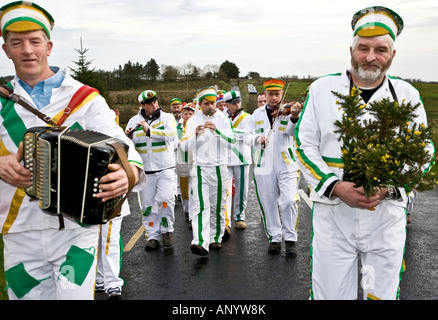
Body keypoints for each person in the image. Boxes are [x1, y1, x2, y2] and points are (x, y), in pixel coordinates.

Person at [0, 1, 146, 300]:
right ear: (6, 50)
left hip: (75, 227)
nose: (27, 50)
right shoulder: (2, 102)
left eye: (34, 41)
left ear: (48, 46)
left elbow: (123, 145)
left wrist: (128, 175)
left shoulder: (85, 98)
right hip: (18, 228)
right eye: (17, 43)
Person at [294, 6, 435, 300]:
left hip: (386, 216)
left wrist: (391, 187)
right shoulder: (322, 89)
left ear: (392, 55)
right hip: (334, 214)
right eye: (364, 48)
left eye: (381, 49)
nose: (371, 57)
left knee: (380, 295)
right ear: (351, 49)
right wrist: (334, 186)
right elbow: (303, 143)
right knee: (330, 295)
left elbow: (423, 150)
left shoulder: (407, 95)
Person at [248, 79, 301, 256]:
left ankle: (291, 238)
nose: (274, 98)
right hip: (264, 162)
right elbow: (246, 136)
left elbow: (292, 133)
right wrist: (257, 139)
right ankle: (275, 238)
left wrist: (293, 117)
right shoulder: (256, 114)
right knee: (268, 202)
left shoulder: (288, 112)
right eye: (270, 94)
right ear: (265, 95)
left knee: (289, 200)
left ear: (281, 94)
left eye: (277, 94)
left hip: (286, 162)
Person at [180, 86, 235, 255]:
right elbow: (183, 146)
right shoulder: (193, 121)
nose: (210, 107)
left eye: (213, 103)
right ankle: (200, 241)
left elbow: (232, 142)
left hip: (219, 168)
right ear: (200, 104)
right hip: (200, 168)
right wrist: (194, 136)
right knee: (200, 205)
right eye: (206, 104)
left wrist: (216, 131)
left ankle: (215, 238)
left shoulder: (223, 120)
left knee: (217, 205)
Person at [126, 90, 177, 250]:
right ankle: (152, 236)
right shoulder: (134, 121)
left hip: (165, 168)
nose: (154, 105)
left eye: (155, 101)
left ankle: (167, 230)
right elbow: (127, 146)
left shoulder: (167, 118)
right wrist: (127, 139)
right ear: (142, 105)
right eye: (149, 103)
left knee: (165, 200)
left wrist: (150, 131)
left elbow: (171, 135)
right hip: (146, 171)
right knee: (147, 206)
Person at [223, 91, 252, 232]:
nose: (237, 105)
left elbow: (247, 135)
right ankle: (226, 220)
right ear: (227, 104)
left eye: (238, 102)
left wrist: (228, 133)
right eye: (234, 103)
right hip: (225, 158)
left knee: (242, 190)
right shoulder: (221, 116)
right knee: (226, 190)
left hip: (241, 157)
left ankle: (240, 216)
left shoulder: (248, 117)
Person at [175, 104, 195, 222]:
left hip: (194, 159)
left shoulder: (196, 126)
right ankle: (187, 210)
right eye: (185, 114)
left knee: (193, 187)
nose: (188, 116)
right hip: (181, 158)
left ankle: (193, 214)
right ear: (182, 115)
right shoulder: (177, 128)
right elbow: (173, 141)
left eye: (190, 114)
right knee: (184, 187)